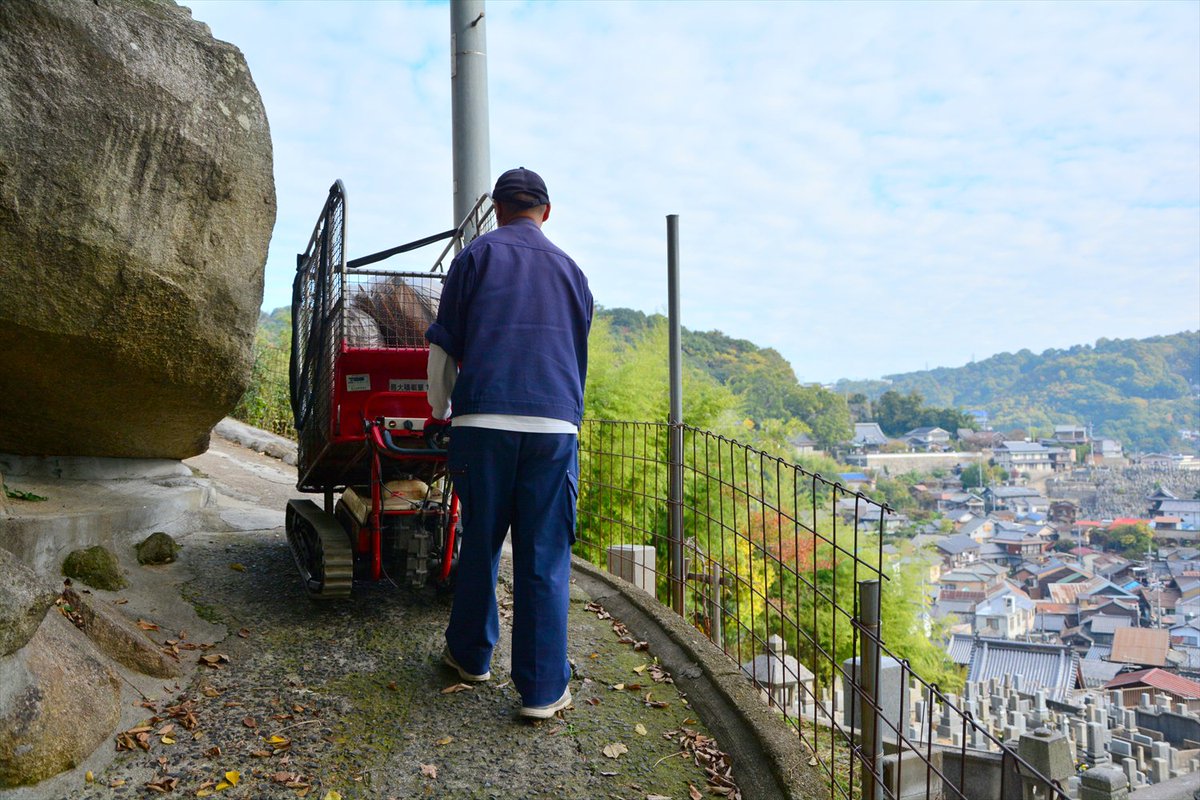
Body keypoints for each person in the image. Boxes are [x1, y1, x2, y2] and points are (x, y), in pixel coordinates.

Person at [424, 167, 593, 719]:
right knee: (545, 554)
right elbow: (575, 355)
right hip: (553, 427)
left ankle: (471, 656)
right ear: (546, 211)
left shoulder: (474, 258)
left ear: (497, 209)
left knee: (480, 542)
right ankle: (543, 690)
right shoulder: (573, 271)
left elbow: (443, 351)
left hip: (483, 422)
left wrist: (439, 412)